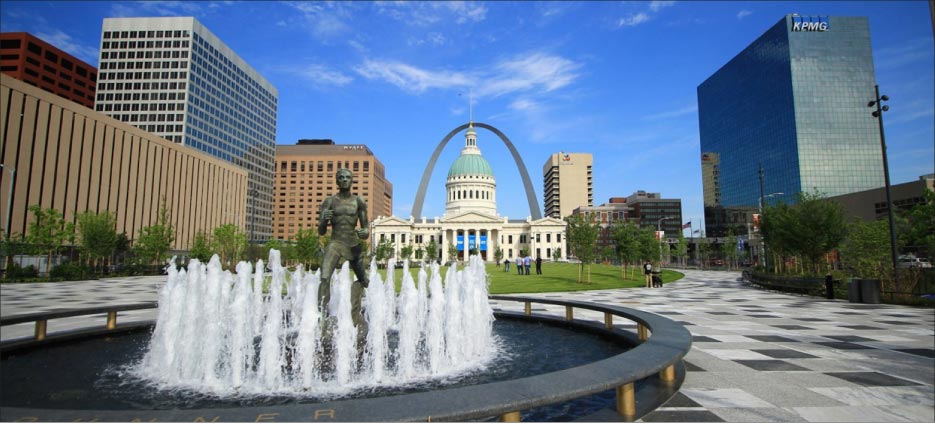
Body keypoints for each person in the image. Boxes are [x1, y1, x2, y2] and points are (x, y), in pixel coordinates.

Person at [318, 168, 370, 340]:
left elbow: (365, 228)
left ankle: (355, 312)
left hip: (353, 244)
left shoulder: (359, 202)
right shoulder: (329, 201)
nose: (345, 180)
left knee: (364, 281)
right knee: (324, 277)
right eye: (341, 177)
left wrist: (364, 232)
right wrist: (324, 219)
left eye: (348, 177)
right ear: (337, 181)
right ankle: (322, 319)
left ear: (352, 180)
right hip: (335, 243)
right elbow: (321, 231)